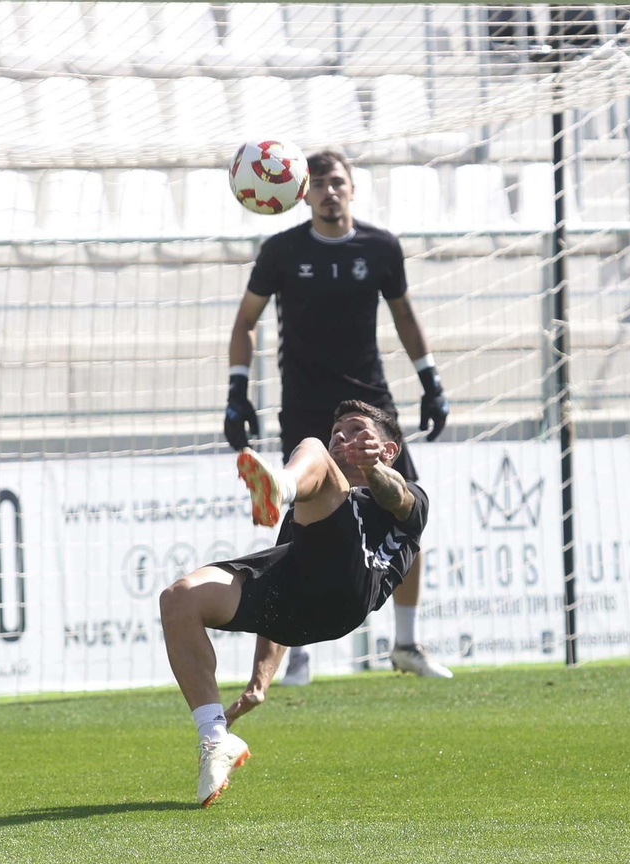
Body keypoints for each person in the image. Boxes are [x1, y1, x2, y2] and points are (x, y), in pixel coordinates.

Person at [224, 148, 451, 685]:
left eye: (338, 182)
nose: (330, 191)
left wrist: (431, 381)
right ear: (303, 191)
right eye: (321, 183)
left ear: (352, 189)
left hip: (372, 407)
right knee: (298, 532)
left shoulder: (380, 247)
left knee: (406, 511)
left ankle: (406, 643)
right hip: (306, 408)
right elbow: (245, 323)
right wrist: (237, 392)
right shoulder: (281, 251)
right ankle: (295, 654)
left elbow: (405, 317)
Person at [162, 402, 431, 806]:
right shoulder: (307, 512)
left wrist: (373, 469)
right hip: (302, 608)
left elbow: (399, 498)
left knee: (311, 449)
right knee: (179, 599)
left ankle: (280, 484)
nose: (342, 436)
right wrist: (259, 683)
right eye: (337, 429)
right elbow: (283, 592)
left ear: (389, 450)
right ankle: (215, 739)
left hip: (350, 589)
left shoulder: (406, 500)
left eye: (356, 429)